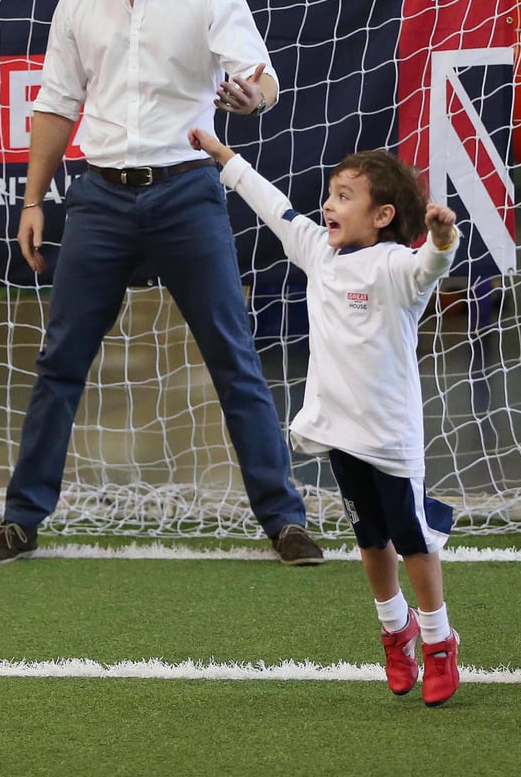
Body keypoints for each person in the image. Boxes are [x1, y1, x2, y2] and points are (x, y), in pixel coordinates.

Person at [0, 0, 323, 568]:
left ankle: (284, 521)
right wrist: (34, 200)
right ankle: (21, 521)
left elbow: (261, 79)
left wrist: (253, 96)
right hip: (98, 196)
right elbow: (56, 104)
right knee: (60, 360)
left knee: (234, 358)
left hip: (188, 192)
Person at [187, 128, 461, 707]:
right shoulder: (318, 251)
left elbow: (429, 267)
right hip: (339, 432)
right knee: (369, 539)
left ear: (383, 214)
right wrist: (224, 158)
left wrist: (442, 239)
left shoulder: (395, 268)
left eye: (343, 196)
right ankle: (396, 632)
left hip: (390, 438)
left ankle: (438, 640)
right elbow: (273, 206)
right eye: (330, 194)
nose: (328, 205)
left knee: (412, 540)